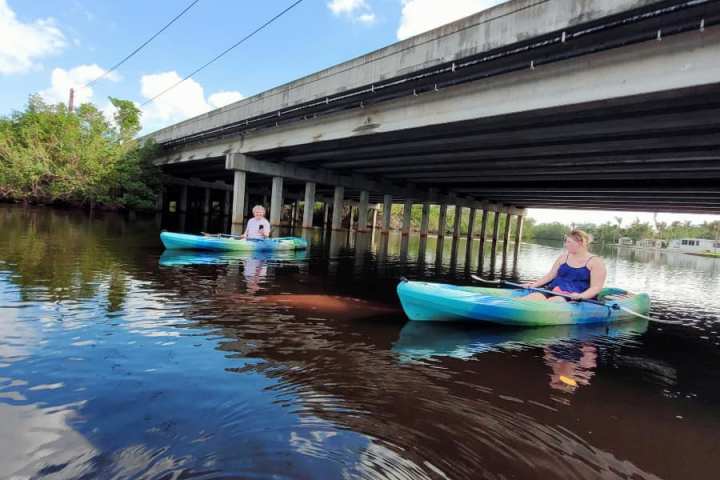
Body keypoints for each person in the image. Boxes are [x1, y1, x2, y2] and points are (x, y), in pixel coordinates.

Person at [519, 229, 607, 302]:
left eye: (569, 242)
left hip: (574, 295)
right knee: (535, 296)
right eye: (566, 242)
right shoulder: (563, 257)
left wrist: (582, 296)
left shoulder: (596, 262)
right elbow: (550, 276)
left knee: (556, 300)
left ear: (580, 243)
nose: (565, 245)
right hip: (554, 289)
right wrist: (534, 285)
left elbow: (596, 287)